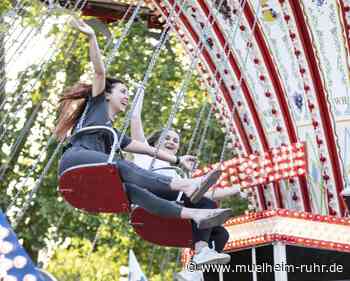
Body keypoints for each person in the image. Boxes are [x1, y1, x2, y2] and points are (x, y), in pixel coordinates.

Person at [54, 17, 234, 231]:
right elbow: (100, 72)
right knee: (121, 166)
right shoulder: (97, 106)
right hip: (76, 159)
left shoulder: (114, 135)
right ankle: (187, 185)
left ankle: (195, 215)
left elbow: (148, 149)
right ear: (108, 95)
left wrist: (178, 160)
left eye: (128, 94)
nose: (126, 97)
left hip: (95, 176)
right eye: (123, 92)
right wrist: (92, 37)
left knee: (136, 192)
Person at [130, 94, 244, 281]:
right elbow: (135, 119)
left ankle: (192, 271)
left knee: (221, 233)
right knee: (204, 202)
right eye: (167, 138)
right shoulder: (144, 153)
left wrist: (236, 189)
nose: (172, 142)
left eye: (176, 141)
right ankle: (200, 250)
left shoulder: (176, 173)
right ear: (154, 142)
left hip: (175, 203)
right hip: (152, 195)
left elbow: (206, 193)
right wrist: (140, 92)